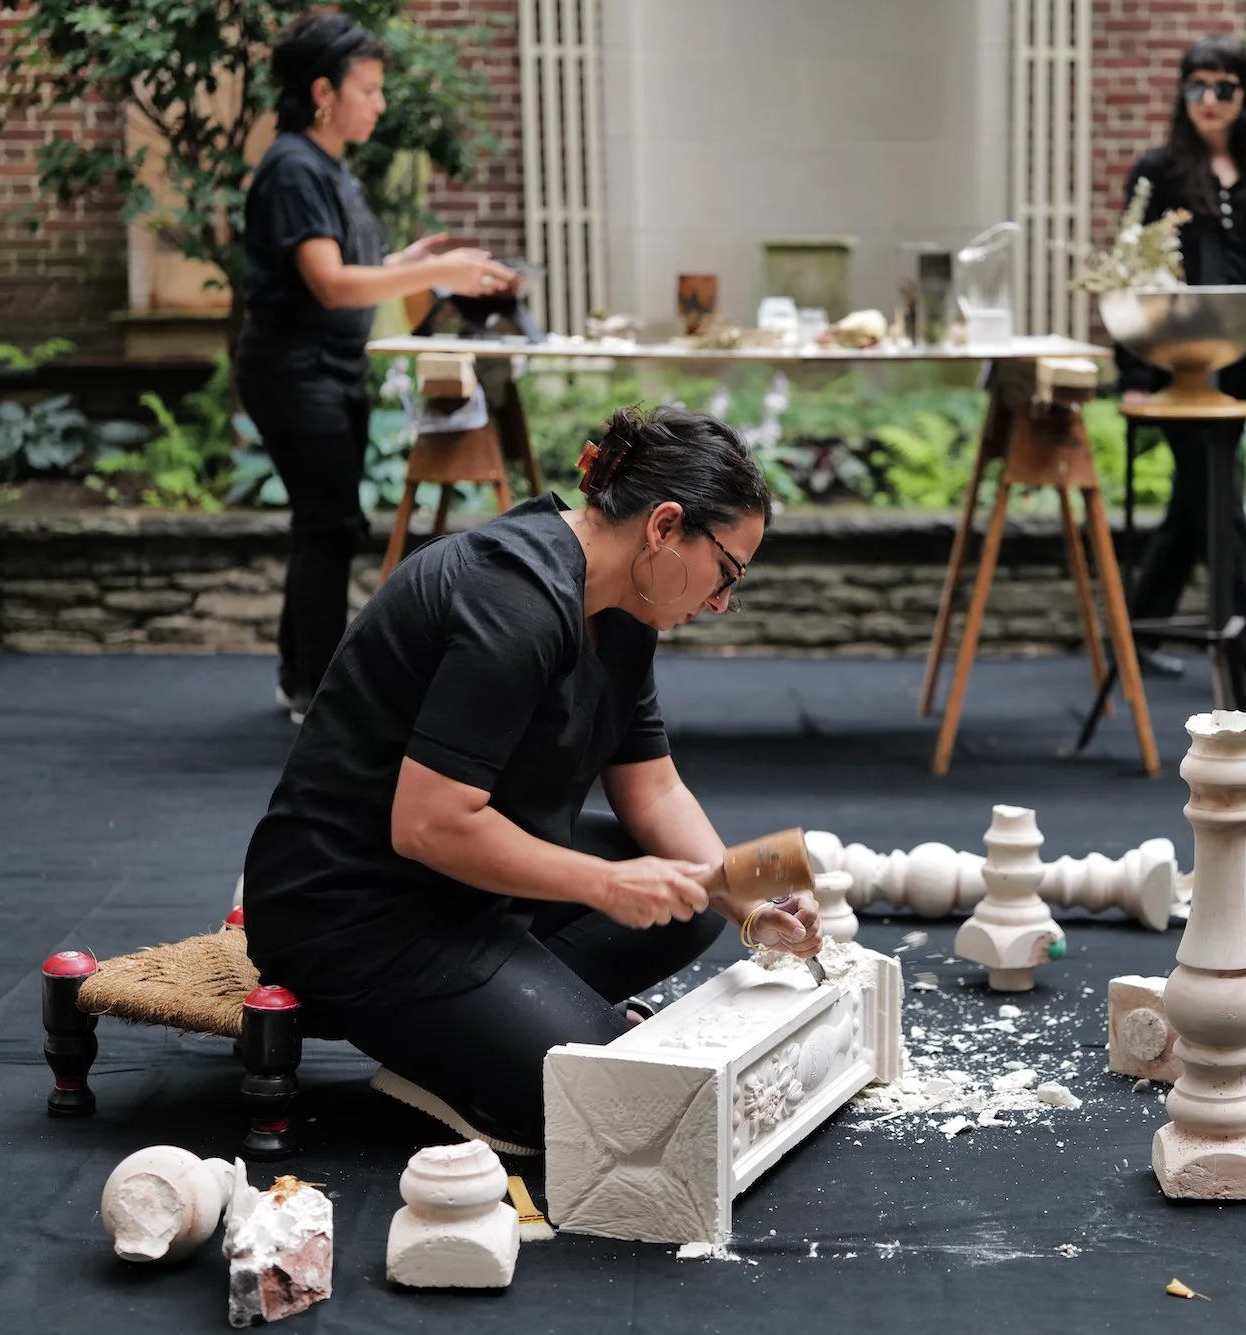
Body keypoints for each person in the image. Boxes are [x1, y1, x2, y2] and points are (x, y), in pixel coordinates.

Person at [240, 406, 822, 1155]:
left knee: (698, 895)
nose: (718, 602)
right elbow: (429, 824)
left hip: (470, 896)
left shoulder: (622, 609)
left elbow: (654, 790)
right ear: (666, 527)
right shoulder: (511, 599)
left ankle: (493, 1021)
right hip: (357, 911)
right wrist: (606, 885)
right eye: (727, 571)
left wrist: (751, 887)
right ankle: (469, 1046)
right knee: (613, 1105)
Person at [237, 11, 519, 724]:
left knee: (323, 524)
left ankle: (298, 677)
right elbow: (330, 284)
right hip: (294, 368)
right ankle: (317, 693)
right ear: (324, 92)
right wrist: (442, 269)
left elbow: (341, 271)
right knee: (330, 523)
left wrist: (405, 267)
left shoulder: (325, 167)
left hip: (327, 365)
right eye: (368, 89)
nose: (380, 102)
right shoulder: (294, 166)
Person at [1116, 33, 1246, 704]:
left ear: (1245, 95)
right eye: (1196, 86)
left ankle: (1134, 636)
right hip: (1178, 370)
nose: (1209, 100)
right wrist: (1136, 379)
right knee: (1219, 500)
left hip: (1245, 371)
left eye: (1223, 87)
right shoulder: (1159, 171)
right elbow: (1132, 277)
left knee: (1196, 503)